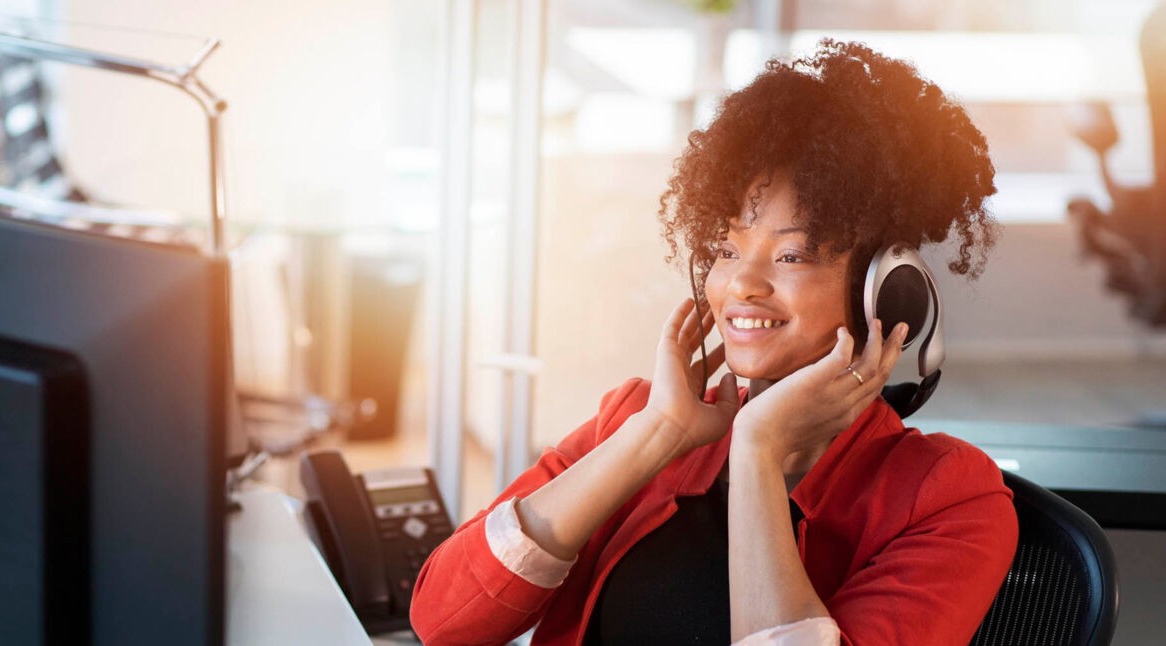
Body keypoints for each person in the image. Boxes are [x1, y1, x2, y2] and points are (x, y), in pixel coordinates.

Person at [410, 40, 1017, 645]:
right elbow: (442, 622)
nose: (742, 285)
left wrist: (757, 452)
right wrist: (655, 436)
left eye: (791, 254)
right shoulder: (638, 419)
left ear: (886, 291)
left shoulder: (944, 497)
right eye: (726, 250)